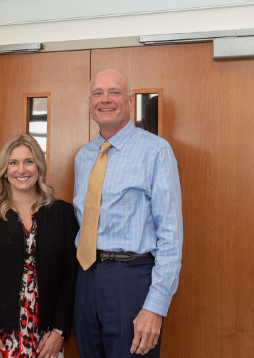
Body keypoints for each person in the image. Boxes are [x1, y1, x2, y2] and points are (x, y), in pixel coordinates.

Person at [73, 69, 183, 358]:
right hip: (85, 278)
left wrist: (155, 306)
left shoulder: (156, 151)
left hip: (131, 281)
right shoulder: (84, 157)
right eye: (98, 93)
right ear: (89, 102)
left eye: (114, 92)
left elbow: (170, 235)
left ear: (131, 102)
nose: (105, 99)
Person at [0, 134, 79, 358]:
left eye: (28, 161)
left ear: (39, 166)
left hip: (45, 338)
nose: (21, 170)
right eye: (13, 163)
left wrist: (60, 330)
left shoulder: (62, 213)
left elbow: (70, 276)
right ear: (4, 169)